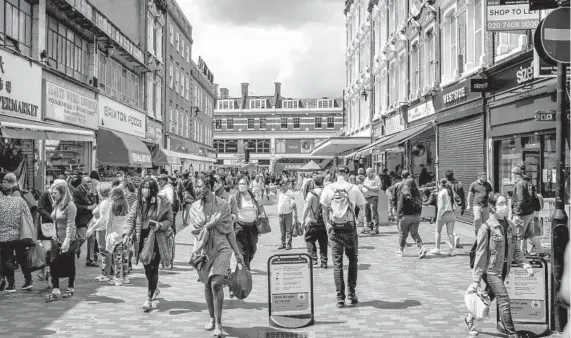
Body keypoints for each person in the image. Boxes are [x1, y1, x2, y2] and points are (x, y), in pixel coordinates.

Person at [466, 194, 534, 337]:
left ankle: (469, 318)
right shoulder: (486, 228)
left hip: (503, 270)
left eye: (506, 203)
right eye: (501, 203)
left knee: (488, 296)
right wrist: (476, 279)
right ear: (493, 207)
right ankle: (511, 333)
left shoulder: (510, 225)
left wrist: (526, 265)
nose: (505, 206)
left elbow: (515, 250)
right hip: (490, 270)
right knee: (504, 300)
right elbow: (480, 254)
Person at [185, 174, 244, 337]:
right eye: (197, 186)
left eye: (201, 186)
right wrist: (205, 229)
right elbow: (194, 230)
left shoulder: (223, 205)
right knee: (207, 283)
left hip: (222, 247)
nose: (198, 189)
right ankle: (211, 317)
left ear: (210, 187)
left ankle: (219, 323)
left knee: (216, 283)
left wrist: (238, 253)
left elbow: (229, 231)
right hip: (203, 250)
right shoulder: (195, 207)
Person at [123, 177, 174, 312]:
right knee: (146, 268)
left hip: (156, 239)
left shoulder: (162, 202)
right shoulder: (138, 203)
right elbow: (130, 219)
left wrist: (160, 225)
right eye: (143, 187)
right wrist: (127, 234)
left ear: (153, 189)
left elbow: (170, 220)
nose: (145, 190)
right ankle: (154, 287)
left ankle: (149, 298)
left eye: (148, 188)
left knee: (153, 268)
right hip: (141, 239)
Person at [320, 166, 366, 308]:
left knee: (337, 263)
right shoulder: (353, 187)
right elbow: (363, 205)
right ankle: (351, 294)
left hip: (334, 229)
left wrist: (327, 226)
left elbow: (324, 210)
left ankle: (340, 298)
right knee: (353, 260)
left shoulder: (328, 188)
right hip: (349, 228)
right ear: (347, 174)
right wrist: (359, 221)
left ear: (336, 174)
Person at [44, 181, 78, 301]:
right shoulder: (57, 204)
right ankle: (56, 288)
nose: (53, 195)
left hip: (68, 239)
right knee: (54, 262)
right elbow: (54, 221)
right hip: (56, 239)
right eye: (52, 192)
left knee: (68, 262)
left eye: (55, 193)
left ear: (62, 193)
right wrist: (53, 234)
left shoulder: (70, 206)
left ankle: (70, 286)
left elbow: (70, 224)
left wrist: (67, 240)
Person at [0, 183, 34, 292]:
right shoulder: (20, 201)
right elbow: (28, 216)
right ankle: (28, 281)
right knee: (22, 258)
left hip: (4, 236)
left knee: (7, 259)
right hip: (20, 235)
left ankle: (11, 285)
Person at [511, 165, 546, 257]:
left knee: (518, 233)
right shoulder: (528, 182)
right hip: (529, 211)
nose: (512, 176)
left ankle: (518, 254)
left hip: (522, 213)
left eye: (512, 174)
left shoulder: (519, 184)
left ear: (515, 174)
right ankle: (540, 249)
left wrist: (517, 213)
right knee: (529, 232)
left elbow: (520, 199)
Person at [230, 177, 264, 270]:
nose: (241, 186)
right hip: (240, 225)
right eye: (240, 184)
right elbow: (231, 211)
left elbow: (260, 207)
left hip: (252, 226)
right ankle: (245, 265)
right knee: (243, 247)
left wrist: (262, 216)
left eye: (243, 184)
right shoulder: (234, 198)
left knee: (252, 248)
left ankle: (248, 260)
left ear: (248, 185)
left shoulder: (254, 197)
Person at [86, 183, 113, 282]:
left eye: (98, 191)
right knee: (106, 251)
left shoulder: (105, 203)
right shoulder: (106, 201)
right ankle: (107, 272)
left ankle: (106, 274)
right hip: (103, 229)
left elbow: (102, 219)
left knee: (104, 251)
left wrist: (92, 228)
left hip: (102, 229)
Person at [396, 177, 427, 258]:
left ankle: (400, 251)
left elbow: (401, 205)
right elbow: (420, 205)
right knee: (414, 233)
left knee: (403, 234)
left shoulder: (404, 192)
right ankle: (422, 248)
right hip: (416, 216)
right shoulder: (418, 193)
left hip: (406, 216)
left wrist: (398, 216)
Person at [303, 175, 328, 268]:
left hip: (312, 221)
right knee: (323, 243)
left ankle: (313, 259)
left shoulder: (311, 194)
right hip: (324, 222)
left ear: (313, 182)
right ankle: (324, 261)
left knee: (309, 240)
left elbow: (306, 208)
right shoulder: (326, 193)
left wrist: (303, 220)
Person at [106, 187, 129, 286]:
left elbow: (109, 221)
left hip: (115, 233)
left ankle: (118, 278)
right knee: (125, 257)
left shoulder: (112, 205)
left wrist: (107, 233)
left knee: (117, 258)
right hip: (124, 232)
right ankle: (125, 277)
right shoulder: (126, 204)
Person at [73, 176, 97, 267]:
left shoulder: (90, 191)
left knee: (92, 237)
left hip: (90, 217)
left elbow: (93, 202)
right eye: (88, 182)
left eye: (90, 181)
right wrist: (88, 207)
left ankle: (90, 260)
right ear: (83, 182)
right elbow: (76, 206)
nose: (90, 183)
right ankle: (73, 249)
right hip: (82, 218)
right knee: (83, 237)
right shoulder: (77, 192)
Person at [431, 179, 456, 256]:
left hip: (443, 214)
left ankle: (437, 248)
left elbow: (441, 206)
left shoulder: (441, 193)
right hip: (451, 214)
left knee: (438, 231)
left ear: (439, 185)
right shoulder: (450, 192)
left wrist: (438, 216)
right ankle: (452, 251)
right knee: (450, 233)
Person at [445, 169, 465, 249]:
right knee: (452, 221)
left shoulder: (444, 183)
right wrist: (463, 206)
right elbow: (462, 195)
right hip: (457, 205)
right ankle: (454, 237)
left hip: (448, 205)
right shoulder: (459, 183)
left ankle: (454, 236)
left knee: (448, 222)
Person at [277, 180, 298, 250]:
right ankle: (282, 243)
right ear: (280, 187)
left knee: (288, 230)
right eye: (282, 186)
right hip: (280, 214)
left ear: (287, 186)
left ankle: (289, 244)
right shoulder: (280, 193)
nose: (284, 188)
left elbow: (294, 204)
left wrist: (296, 214)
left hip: (288, 214)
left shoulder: (290, 193)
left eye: (285, 186)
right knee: (282, 230)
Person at [361, 168, 381, 235]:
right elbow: (364, 186)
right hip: (366, 198)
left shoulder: (376, 178)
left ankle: (376, 229)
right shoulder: (366, 178)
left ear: (372, 172)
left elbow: (378, 187)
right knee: (367, 214)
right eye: (366, 173)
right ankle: (369, 228)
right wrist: (363, 189)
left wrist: (369, 188)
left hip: (373, 197)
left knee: (374, 213)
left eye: (369, 173)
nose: (367, 174)